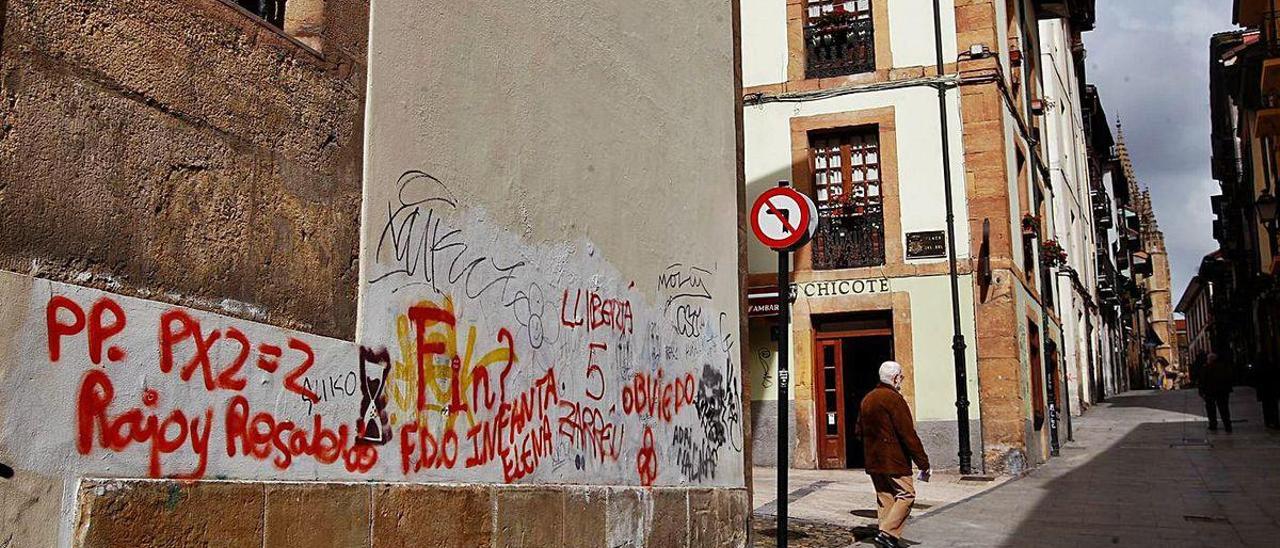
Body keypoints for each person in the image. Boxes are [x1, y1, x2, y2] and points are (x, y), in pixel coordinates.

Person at [856, 361, 930, 548]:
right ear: (896, 378)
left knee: (885, 496)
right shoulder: (893, 399)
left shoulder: (868, 398)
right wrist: (922, 462)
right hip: (893, 459)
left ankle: (885, 536)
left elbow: (858, 431)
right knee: (906, 494)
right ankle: (888, 533)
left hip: (873, 458)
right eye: (901, 377)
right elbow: (907, 433)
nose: (901, 381)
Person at [1200, 353, 1233, 433]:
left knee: (1211, 410)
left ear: (1210, 360)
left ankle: (1213, 425)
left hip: (1210, 392)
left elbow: (1202, 381)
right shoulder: (1223, 367)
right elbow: (1228, 378)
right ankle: (1227, 425)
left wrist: (1201, 391)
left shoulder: (1206, 368)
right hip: (1222, 391)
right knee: (1224, 409)